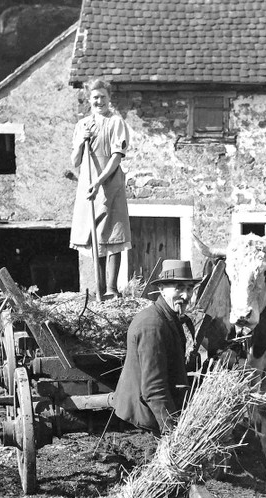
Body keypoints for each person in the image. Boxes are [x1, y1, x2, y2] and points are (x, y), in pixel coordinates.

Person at [112, 260, 201, 434]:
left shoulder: (169, 318)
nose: (186, 295)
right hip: (145, 412)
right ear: (161, 289)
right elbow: (154, 387)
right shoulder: (152, 326)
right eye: (178, 288)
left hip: (157, 407)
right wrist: (173, 430)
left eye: (189, 288)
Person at [70, 78, 132, 300]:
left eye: (103, 97)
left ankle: (112, 289)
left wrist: (100, 181)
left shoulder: (116, 122)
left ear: (109, 98)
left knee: (113, 235)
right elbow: (75, 160)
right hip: (88, 185)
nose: (99, 101)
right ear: (89, 100)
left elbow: (117, 156)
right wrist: (81, 142)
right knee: (94, 235)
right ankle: (99, 289)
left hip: (110, 182)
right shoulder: (82, 125)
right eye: (95, 97)